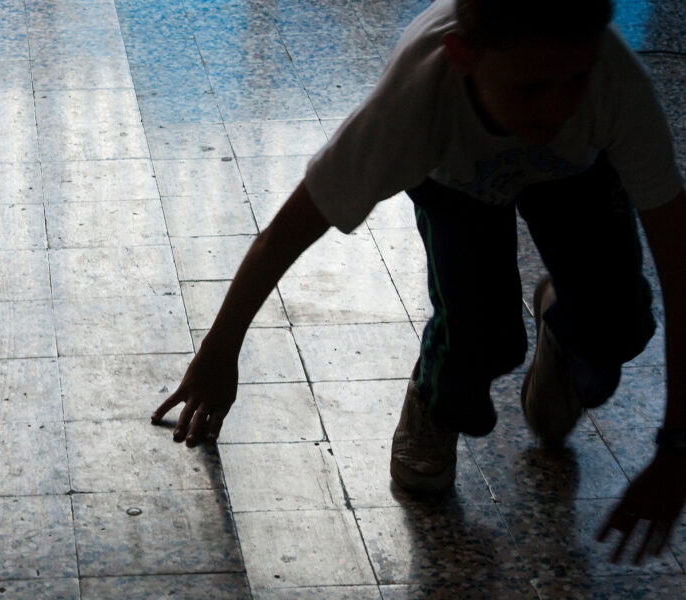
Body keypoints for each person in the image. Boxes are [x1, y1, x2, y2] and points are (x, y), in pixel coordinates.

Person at [151, 0, 685, 565]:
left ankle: (563, 324)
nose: (556, 108)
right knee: (483, 339)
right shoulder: (411, 109)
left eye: (575, 80)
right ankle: (433, 400)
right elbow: (285, 235)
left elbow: (679, 268)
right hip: (457, 180)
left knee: (619, 324)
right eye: (530, 89)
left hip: (578, 172)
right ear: (462, 56)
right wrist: (219, 351)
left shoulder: (612, 84)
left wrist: (677, 447)